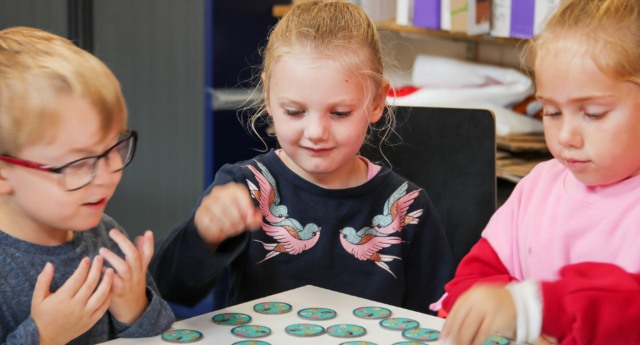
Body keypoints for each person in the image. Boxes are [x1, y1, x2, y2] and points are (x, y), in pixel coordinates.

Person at [151, 0, 453, 314]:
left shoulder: (410, 207)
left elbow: (435, 320)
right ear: (268, 96)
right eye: (295, 112)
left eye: (339, 113)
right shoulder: (246, 187)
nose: (316, 132)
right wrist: (203, 236)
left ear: (376, 102)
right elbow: (169, 288)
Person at [438, 0, 640, 344]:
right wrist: (498, 309)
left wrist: (533, 307)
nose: (565, 137)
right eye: (551, 111)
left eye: (592, 113)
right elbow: (470, 284)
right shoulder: (539, 186)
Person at [0, 27, 174, 345]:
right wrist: (43, 338)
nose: (108, 176)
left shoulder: (105, 234)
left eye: (113, 149)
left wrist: (134, 307)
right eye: (79, 163)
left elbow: (159, 337)